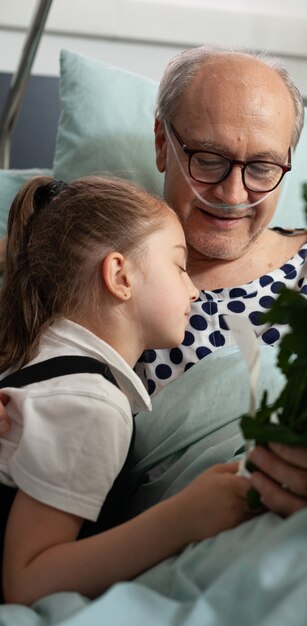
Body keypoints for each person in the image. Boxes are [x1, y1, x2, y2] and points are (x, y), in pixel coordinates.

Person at [0, 45, 307, 520]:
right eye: (209, 159)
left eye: (263, 168)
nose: (233, 194)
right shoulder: (87, 269)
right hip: (169, 540)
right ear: (162, 143)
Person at [0, 175, 254, 605]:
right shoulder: (92, 404)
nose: (194, 289)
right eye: (179, 266)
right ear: (120, 275)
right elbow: (26, 582)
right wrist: (184, 518)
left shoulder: (32, 355)